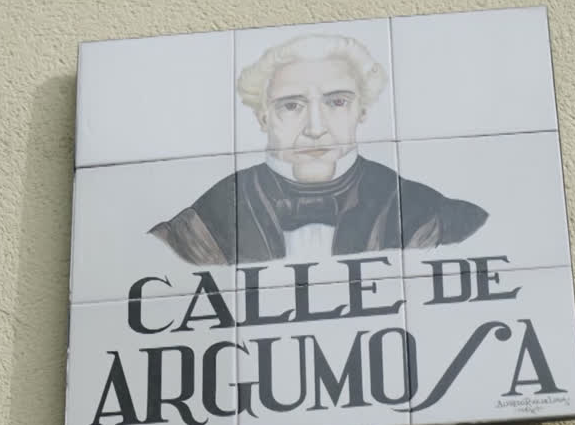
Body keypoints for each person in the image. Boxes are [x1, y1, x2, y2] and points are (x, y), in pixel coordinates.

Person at [151, 34, 486, 265]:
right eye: (291, 106)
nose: (315, 128)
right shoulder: (203, 223)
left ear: (362, 111)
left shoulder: (428, 215)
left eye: (337, 102)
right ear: (263, 117)